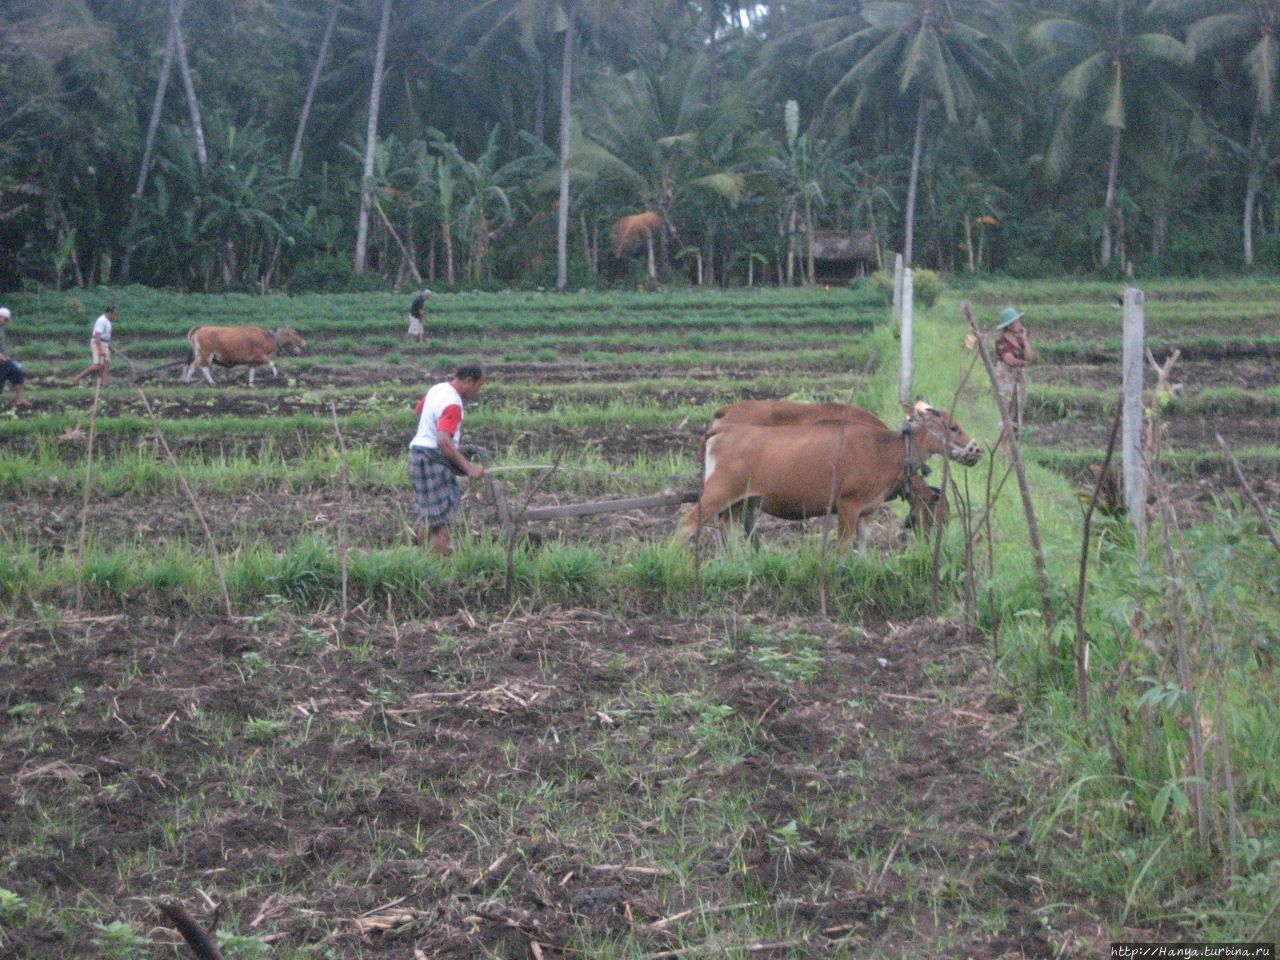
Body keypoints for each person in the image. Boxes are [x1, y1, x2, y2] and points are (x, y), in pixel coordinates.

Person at [409, 363, 487, 556]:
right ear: (468, 381)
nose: (477, 391)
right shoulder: (453, 404)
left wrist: (428, 432)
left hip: (417, 455)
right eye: (478, 386)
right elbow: (443, 441)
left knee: (429, 516)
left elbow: (417, 413)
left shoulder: (438, 389)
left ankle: (421, 561)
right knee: (443, 522)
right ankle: (436, 568)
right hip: (433, 461)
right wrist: (469, 468)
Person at [993, 306, 1035, 430]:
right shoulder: (1001, 340)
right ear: (1009, 325)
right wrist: (1023, 362)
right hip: (1006, 375)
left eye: (1018, 321)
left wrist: (1025, 339)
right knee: (1007, 406)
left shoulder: (1020, 338)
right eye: (1016, 322)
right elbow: (1009, 359)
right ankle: (1003, 440)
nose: (1018, 324)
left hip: (1019, 375)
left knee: (1020, 405)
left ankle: (1016, 438)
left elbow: (1030, 356)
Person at [71, 305, 118, 384]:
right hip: (98, 343)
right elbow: (97, 336)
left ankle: (104, 382)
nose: (115, 316)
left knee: (106, 363)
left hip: (104, 344)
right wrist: (100, 349)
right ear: (110, 313)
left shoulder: (108, 322)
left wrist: (110, 348)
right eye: (115, 314)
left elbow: (105, 338)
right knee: (99, 365)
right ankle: (77, 377)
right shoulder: (102, 321)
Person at [0, 307, 31, 407]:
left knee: (17, 373)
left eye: (8, 320)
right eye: (5, 319)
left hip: (3, 361)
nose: (7, 322)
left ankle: (19, 399)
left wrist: (4, 356)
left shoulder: (1, 329)